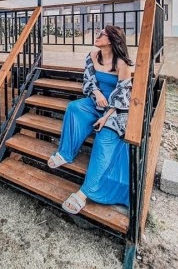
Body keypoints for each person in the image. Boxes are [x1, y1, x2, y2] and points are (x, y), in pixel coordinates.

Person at [47, 25, 133, 214]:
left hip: (115, 110)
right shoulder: (93, 55)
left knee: (103, 139)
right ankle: (65, 153)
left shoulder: (123, 64)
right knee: (74, 108)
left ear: (112, 40)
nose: (97, 35)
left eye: (102, 34)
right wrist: (97, 92)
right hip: (96, 102)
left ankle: (84, 193)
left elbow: (122, 97)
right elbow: (88, 80)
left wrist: (105, 118)